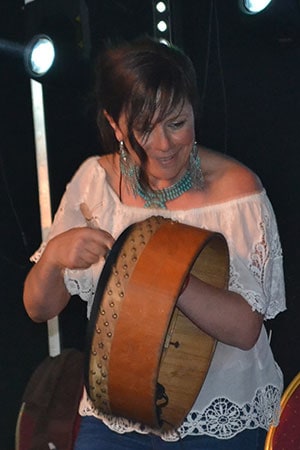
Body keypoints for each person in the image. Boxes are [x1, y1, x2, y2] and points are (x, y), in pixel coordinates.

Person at [23, 36, 286, 450]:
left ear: (194, 112)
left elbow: (246, 328)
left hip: (216, 421)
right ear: (115, 124)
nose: (164, 146)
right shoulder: (95, 183)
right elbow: (39, 308)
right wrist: (54, 258)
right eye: (144, 128)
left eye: (177, 123)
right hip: (117, 414)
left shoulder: (238, 191)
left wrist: (166, 278)